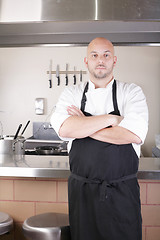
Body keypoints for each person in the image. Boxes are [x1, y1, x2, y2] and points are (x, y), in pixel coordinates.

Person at [51, 37, 148, 240]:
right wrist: (112, 119)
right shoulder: (71, 93)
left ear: (114, 60)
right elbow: (65, 128)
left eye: (106, 55)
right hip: (82, 197)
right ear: (86, 61)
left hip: (122, 196)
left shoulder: (131, 92)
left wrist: (84, 125)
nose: (100, 60)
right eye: (94, 55)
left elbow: (133, 134)